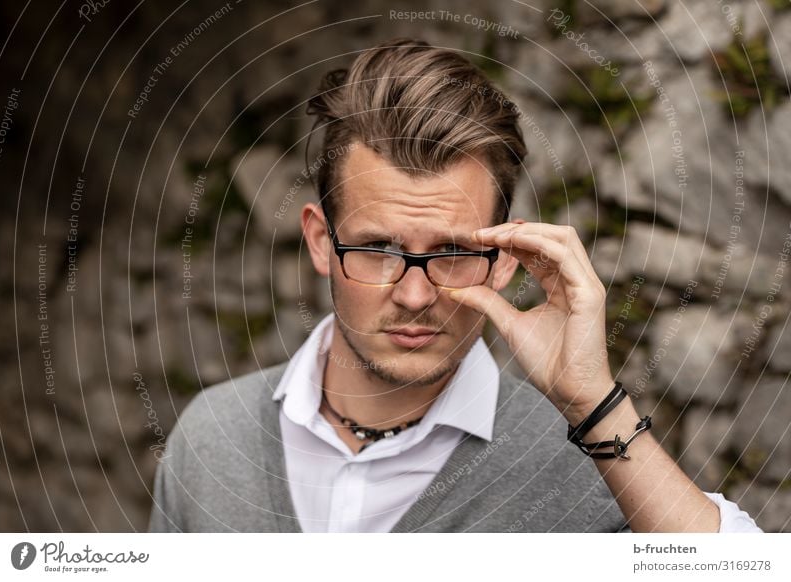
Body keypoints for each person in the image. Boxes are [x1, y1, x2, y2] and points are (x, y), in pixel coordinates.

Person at [148, 38, 761, 533]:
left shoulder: (580, 463)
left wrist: (592, 404)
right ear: (319, 240)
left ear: (505, 259)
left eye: (453, 253)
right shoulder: (211, 437)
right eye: (378, 248)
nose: (415, 297)